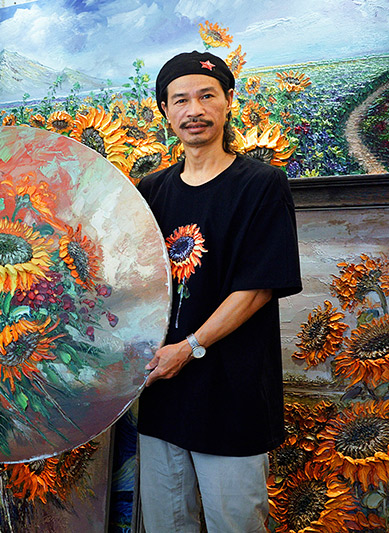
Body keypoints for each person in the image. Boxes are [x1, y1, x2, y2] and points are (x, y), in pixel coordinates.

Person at [135, 51, 302, 532]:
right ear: (165, 111)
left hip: (232, 392)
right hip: (162, 392)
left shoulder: (261, 185)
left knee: (235, 523)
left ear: (228, 101)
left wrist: (189, 347)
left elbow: (257, 288)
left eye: (207, 96)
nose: (195, 110)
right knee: (166, 523)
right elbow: (132, 282)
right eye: (180, 100)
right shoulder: (151, 190)